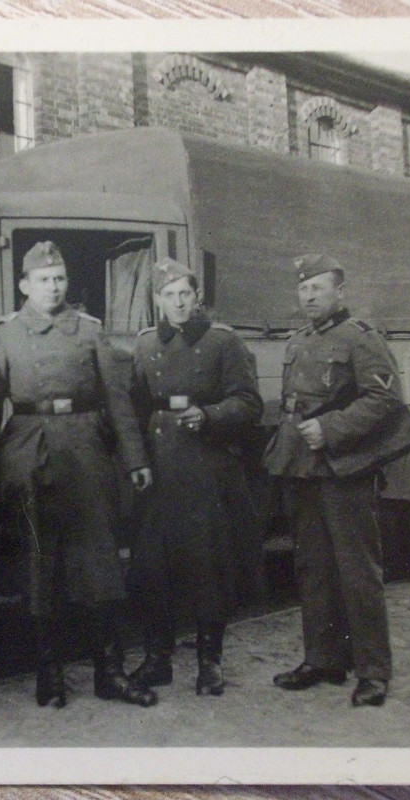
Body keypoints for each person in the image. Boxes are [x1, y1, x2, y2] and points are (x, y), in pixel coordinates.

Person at [0, 240, 157, 710]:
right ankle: (49, 672)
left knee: (99, 562)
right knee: (40, 565)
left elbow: (117, 401)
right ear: (24, 286)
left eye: (59, 278)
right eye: (43, 280)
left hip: (84, 451)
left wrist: (135, 459)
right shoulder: (6, 336)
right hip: (30, 450)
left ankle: (109, 672)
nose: (53, 287)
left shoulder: (88, 331)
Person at [265, 254, 410, 708]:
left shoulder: (361, 339)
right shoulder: (298, 342)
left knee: (357, 571)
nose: (309, 296)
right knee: (312, 567)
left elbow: (384, 400)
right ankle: (323, 659)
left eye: (318, 287)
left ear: (339, 291)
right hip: (303, 468)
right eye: (303, 289)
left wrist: (331, 428)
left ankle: (373, 672)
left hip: (345, 468)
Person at [128, 257, 264, 697]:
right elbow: (135, 407)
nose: (179, 303)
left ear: (197, 296)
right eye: (169, 295)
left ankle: (210, 662)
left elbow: (249, 402)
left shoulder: (222, 341)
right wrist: (137, 461)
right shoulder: (146, 344)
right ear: (158, 300)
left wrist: (210, 415)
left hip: (207, 466)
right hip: (160, 468)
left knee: (209, 564)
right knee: (154, 566)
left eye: (185, 293)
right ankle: (157, 660)